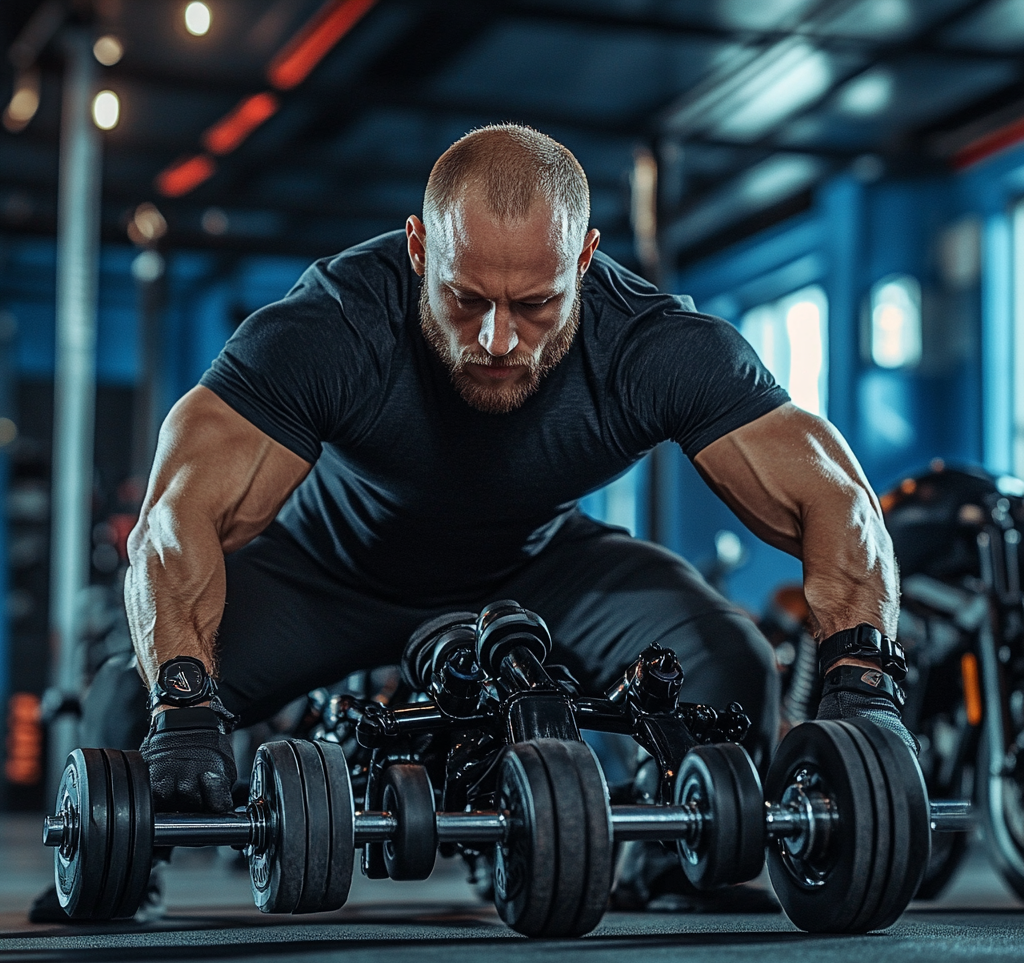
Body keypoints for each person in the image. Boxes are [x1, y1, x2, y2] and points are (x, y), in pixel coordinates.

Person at [34, 124, 912, 920]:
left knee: (729, 662)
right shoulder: (332, 325)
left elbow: (835, 500)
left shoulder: (652, 345)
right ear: (419, 249)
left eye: (535, 306)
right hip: (333, 573)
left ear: (585, 260)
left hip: (539, 570)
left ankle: (669, 863)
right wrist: (186, 701)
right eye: (465, 300)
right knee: (128, 697)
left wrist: (859, 683)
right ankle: (118, 870)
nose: (497, 340)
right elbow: (174, 516)